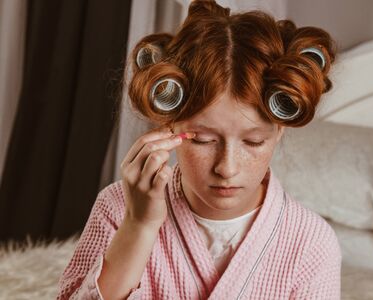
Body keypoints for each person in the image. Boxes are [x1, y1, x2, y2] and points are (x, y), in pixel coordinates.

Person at [57, 0, 341, 299]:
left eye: (253, 142)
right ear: (170, 124)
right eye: (203, 139)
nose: (227, 168)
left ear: (279, 130)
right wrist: (138, 226)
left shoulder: (310, 241)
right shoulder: (117, 207)